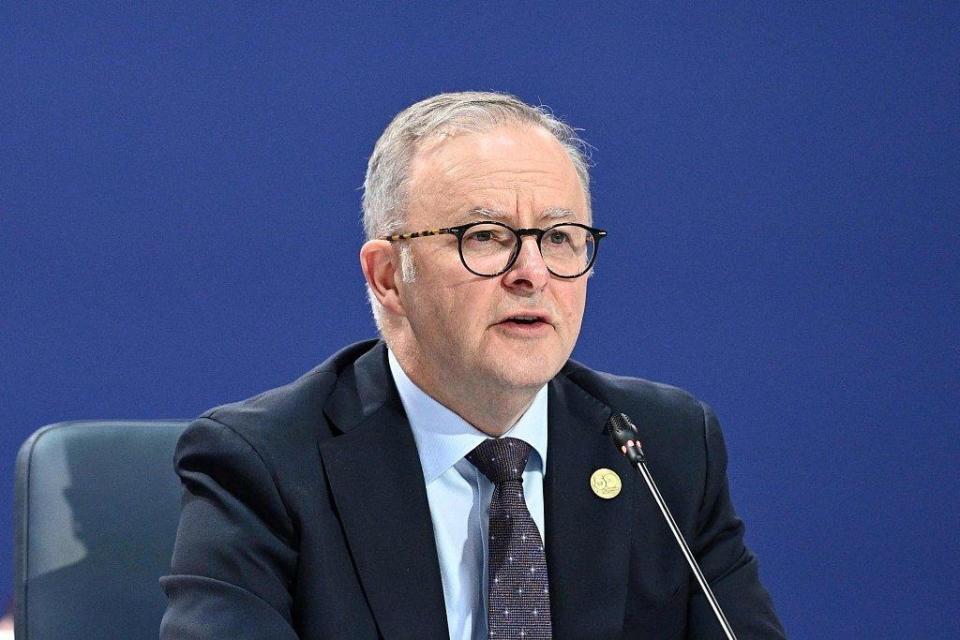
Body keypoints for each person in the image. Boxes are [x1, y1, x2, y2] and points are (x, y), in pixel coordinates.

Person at [160, 91, 785, 639]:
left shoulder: (663, 446)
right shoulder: (264, 465)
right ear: (388, 277)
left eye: (560, 237)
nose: (532, 273)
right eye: (484, 236)